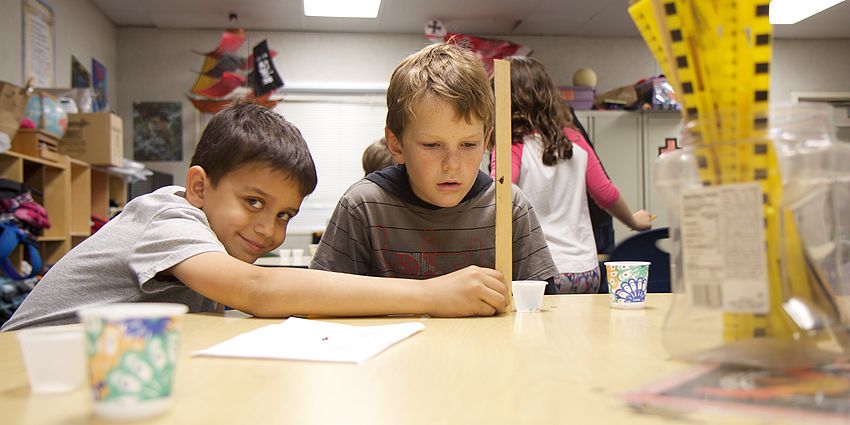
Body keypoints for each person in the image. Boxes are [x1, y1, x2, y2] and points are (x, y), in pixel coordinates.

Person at [1, 100, 510, 331]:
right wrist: (429, 294)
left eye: (285, 214)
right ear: (199, 186)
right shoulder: (166, 215)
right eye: (254, 203)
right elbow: (257, 291)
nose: (268, 230)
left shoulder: (208, 245)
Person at [310, 43, 558, 286]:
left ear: (487, 142)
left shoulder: (509, 206)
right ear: (396, 145)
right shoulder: (364, 206)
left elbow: (541, 308)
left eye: (468, 145)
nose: (452, 165)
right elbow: (319, 298)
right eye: (431, 146)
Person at [491, 57, 651, 295]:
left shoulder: (511, 147)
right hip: (585, 270)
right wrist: (634, 221)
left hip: (541, 273)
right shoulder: (573, 139)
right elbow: (605, 193)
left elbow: (501, 195)